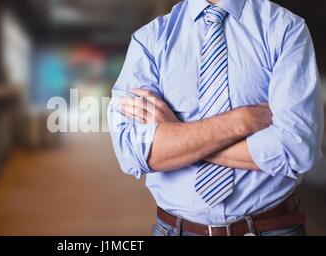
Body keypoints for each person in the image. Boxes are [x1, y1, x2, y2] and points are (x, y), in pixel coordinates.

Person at [107, 0, 324, 236]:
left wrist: (179, 135)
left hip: (271, 228)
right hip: (175, 230)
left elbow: (296, 149)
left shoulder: (285, 28)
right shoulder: (148, 40)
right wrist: (241, 121)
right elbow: (132, 151)